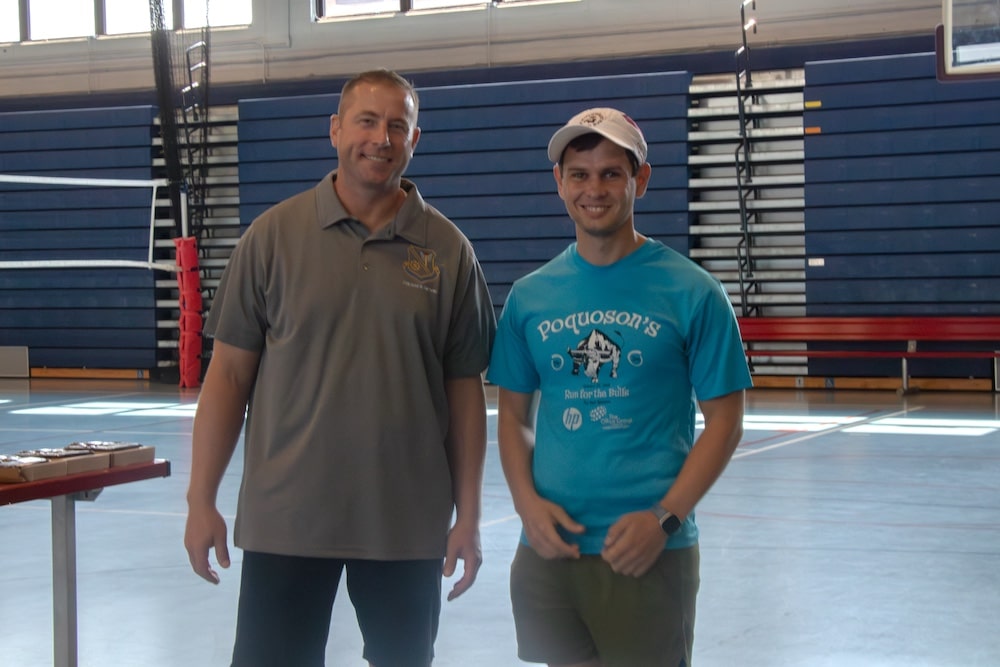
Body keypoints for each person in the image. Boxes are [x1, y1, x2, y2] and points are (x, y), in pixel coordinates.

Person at [183, 69, 497, 667]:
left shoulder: (448, 249)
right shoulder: (272, 237)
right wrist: (201, 500)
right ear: (335, 130)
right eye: (367, 121)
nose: (381, 138)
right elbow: (227, 379)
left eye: (397, 126)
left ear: (414, 139)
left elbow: (465, 394)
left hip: (405, 523)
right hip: (287, 520)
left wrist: (470, 518)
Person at [486, 108, 753, 667]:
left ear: (641, 179)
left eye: (612, 173)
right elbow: (512, 418)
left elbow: (725, 422)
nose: (595, 189)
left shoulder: (693, 292)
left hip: (647, 552)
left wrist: (665, 517)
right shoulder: (531, 297)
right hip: (550, 552)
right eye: (579, 174)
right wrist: (527, 506)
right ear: (559, 183)